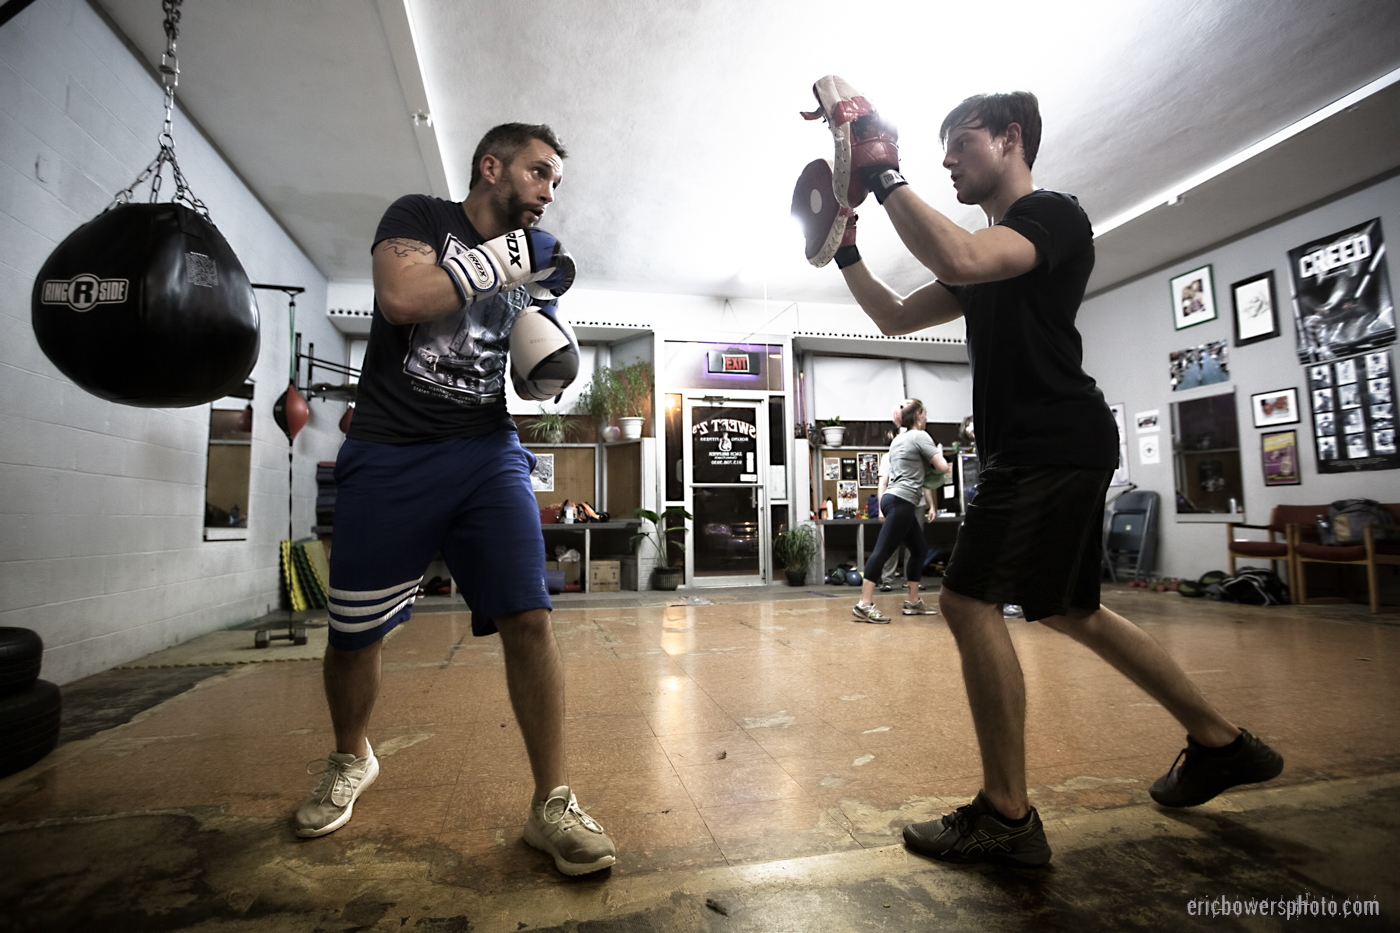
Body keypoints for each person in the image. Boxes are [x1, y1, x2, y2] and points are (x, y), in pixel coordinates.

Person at [813, 82, 1282, 866]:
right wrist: (846, 247)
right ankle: (1221, 741)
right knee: (1072, 610)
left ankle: (1006, 816)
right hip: (1037, 448)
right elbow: (894, 316)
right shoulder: (983, 260)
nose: (947, 160)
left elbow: (959, 250)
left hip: (1047, 442)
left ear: (1009, 137)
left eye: (958, 142)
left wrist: (883, 170)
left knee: (965, 600)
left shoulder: (1051, 217)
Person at [293, 123, 616, 877]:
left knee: (529, 616)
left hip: (483, 453)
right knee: (353, 634)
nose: (547, 190)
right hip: (388, 448)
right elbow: (402, 296)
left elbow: (526, 370)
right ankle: (351, 756)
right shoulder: (419, 219)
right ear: (491, 166)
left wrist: (546, 366)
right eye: (539, 172)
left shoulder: (531, 272)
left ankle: (552, 803)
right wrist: (508, 260)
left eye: (556, 182)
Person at [852, 399, 951, 622]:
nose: (926, 418)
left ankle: (913, 602)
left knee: (919, 548)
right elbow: (942, 467)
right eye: (924, 413)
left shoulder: (898, 440)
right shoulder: (920, 436)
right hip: (902, 501)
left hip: (893, 499)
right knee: (883, 550)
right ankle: (864, 604)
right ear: (917, 416)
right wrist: (945, 460)